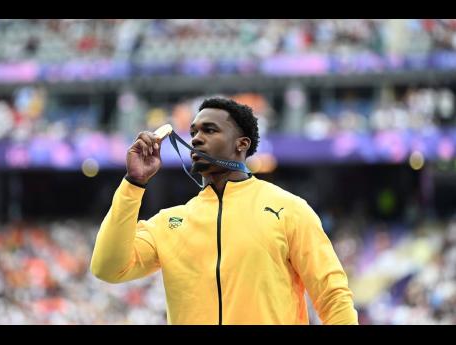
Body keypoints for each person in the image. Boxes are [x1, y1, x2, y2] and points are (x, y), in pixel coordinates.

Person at [90, 97, 358, 325]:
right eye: (194, 131)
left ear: (241, 144)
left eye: (209, 130)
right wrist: (133, 184)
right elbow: (107, 267)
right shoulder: (169, 223)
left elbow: (333, 297)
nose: (196, 139)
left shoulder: (289, 209)